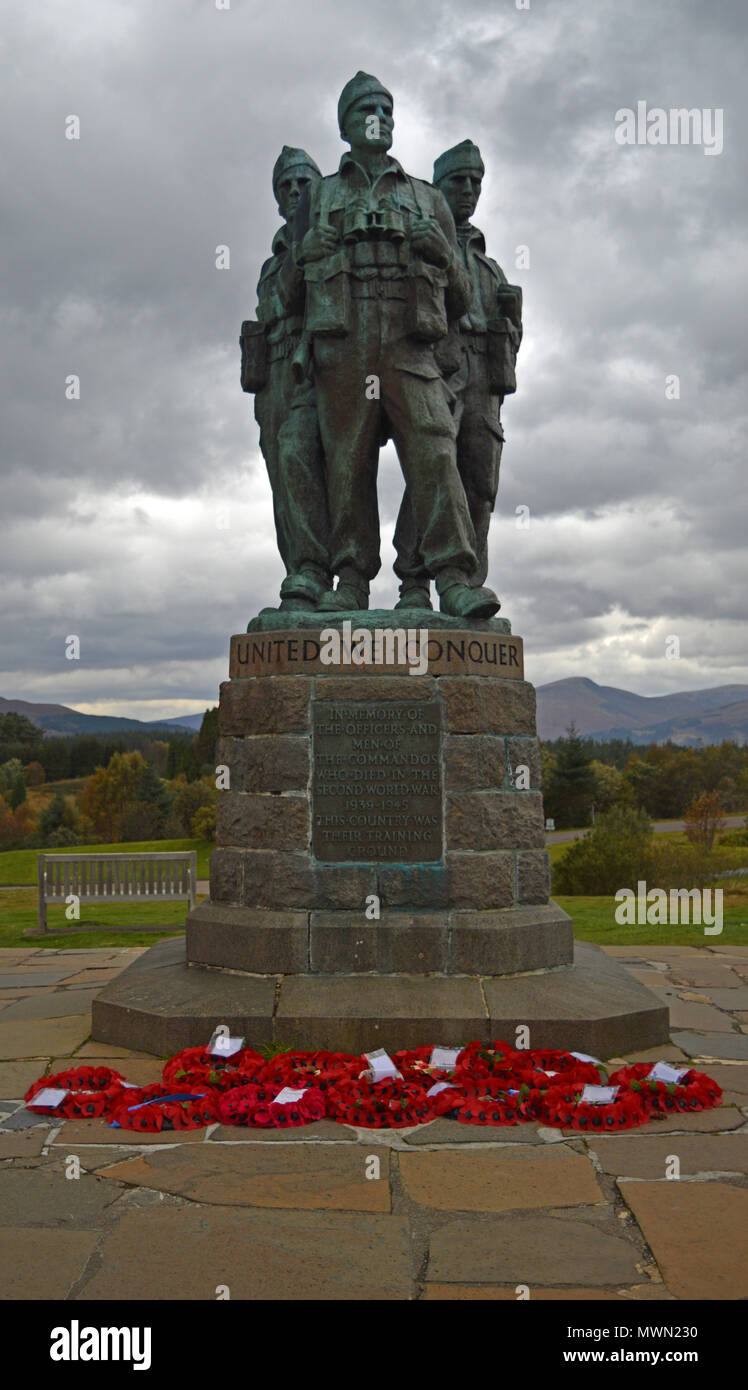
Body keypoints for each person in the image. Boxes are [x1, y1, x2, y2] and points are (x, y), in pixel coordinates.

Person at [291, 74, 501, 618]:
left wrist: (445, 253)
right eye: (366, 108)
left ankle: (453, 577)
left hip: (410, 344)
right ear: (345, 123)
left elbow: (460, 299)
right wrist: (308, 250)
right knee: (347, 464)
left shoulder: (428, 199)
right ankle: (351, 581)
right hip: (346, 343)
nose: (378, 117)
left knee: (434, 450)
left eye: (386, 109)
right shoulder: (320, 195)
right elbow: (289, 296)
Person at [393, 139, 522, 609]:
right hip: (437, 370)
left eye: (476, 182)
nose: (468, 190)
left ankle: (468, 583)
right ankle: (414, 581)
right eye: (457, 181)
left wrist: (507, 329)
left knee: (480, 484)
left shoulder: (490, 269)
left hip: (484, 381)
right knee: (432, 470)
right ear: (438, 187)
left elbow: (516, 335)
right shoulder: (422, 243)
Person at [244, 146, 332, 610]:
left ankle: (320, 570)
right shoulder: (271, 260)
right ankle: (299, 574)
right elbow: (271, 309)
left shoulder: (323, 241)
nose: (295, 191)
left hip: (315, 367)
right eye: (286, 185)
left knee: (313, 465)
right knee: (283, 478)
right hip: (272, 376)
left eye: (303, 183)